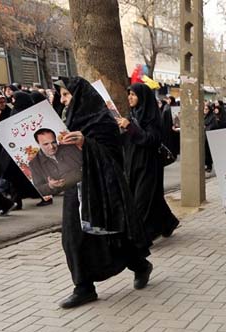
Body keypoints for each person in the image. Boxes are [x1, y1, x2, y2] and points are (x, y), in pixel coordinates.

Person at [55, 76, 153, 309]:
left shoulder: (102, 121)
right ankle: (83, 287)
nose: (63, 100)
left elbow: (113, 155)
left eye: (66, 95)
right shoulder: (65, 122)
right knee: (73, 237)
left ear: (80, 95)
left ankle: (140, 265)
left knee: (114, 235)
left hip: (102, 188)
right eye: (61, 96)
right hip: (75, 187)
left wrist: (85, 143)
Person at [118, 83, 179, 241]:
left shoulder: (152, 117)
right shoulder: (132, 115)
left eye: (133, 94)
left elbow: (151, 139)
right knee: (153, 199)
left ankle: (141, 238)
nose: (130, 97)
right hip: (133, 164)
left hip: (148, 165)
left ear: (143, 97)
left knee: (141, 201)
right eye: (129, 94)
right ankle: (168, 223)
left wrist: (130, 127)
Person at [28, 128, 83, 196]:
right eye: (46, 144)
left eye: (53, 142)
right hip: (62, 197)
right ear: (38, 144)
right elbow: (38, 190)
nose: (51, 147)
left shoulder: (70, 147)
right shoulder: (34, 164)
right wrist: (50, 186)